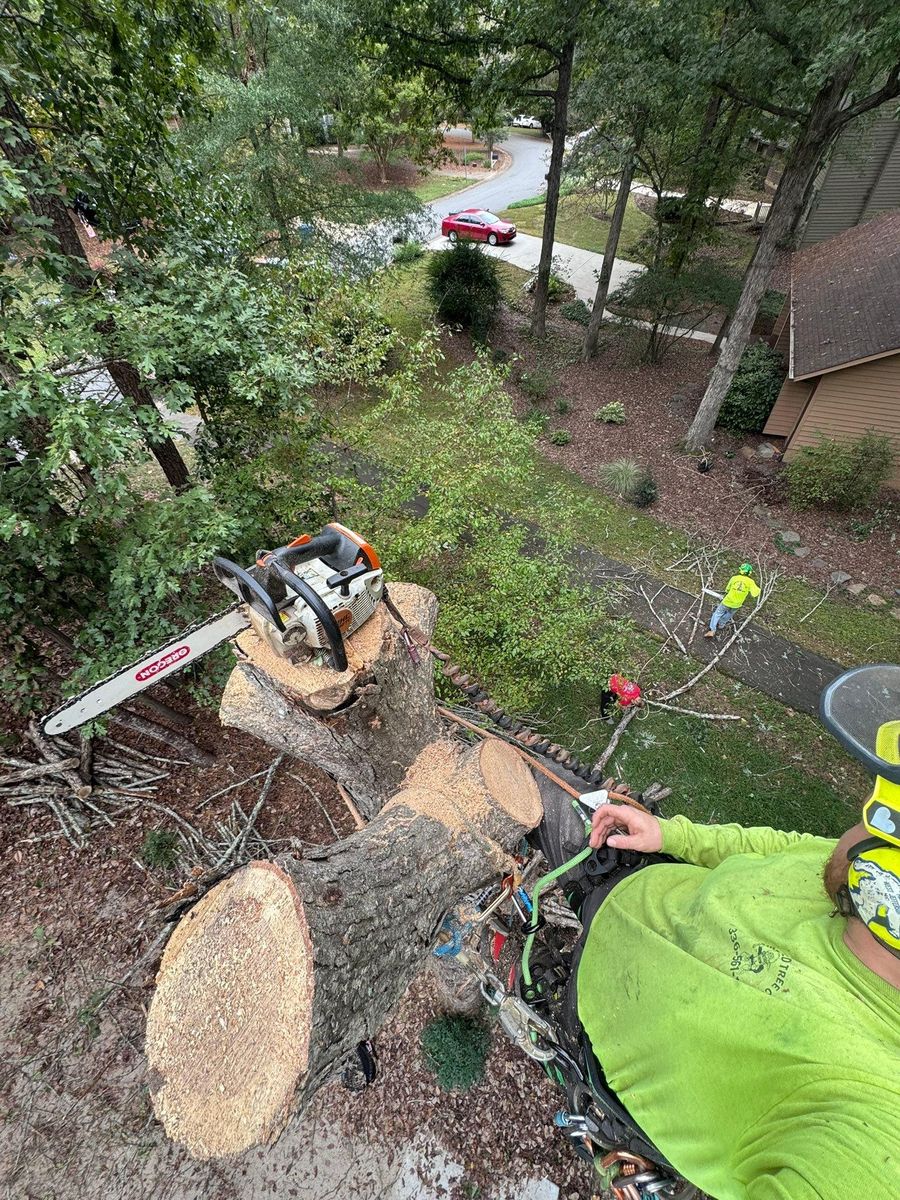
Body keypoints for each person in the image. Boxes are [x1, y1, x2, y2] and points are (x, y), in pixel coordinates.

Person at [566, 799, 900, 1200]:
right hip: (641, 878)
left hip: (596, 1007)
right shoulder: (851, 873)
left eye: (874, 820)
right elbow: (786, 848)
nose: (857, 822)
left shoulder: (878, 1123)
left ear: (886, 886)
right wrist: (672, 835)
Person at [705, 562, 760, 638]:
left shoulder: (734, 578)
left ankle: (712, 630)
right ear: (750, 573)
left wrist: (727, 593)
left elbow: (727, 589)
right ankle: (721, 625)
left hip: (727, 601)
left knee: (717, 613)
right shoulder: (751, 582)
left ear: (741, 570)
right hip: (737, 604)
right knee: (729, 614)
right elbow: (755, 593)